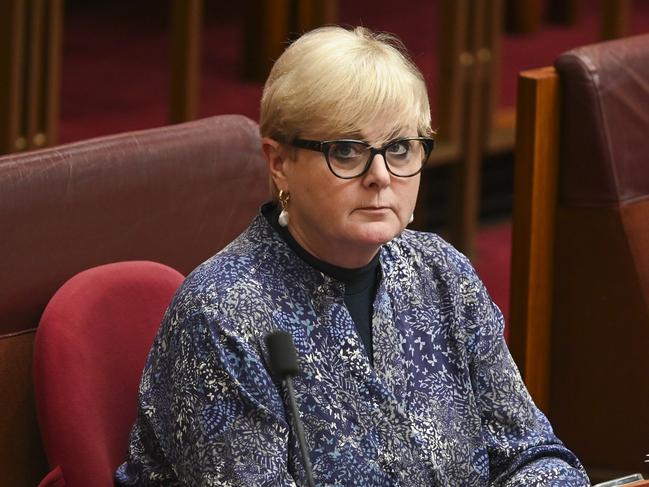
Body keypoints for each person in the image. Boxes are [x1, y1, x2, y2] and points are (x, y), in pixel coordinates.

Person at [115, 26, 589, 486]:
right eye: (347, 151)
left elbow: (528, 452)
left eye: (400, 148)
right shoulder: (222, 316)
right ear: (279, 162)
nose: (381, 175)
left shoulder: (441, 273)